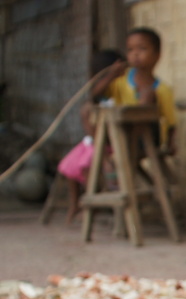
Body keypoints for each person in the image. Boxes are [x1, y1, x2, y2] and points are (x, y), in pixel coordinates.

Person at [55, 49, 124, 223]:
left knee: (86, 166)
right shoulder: (99, 95)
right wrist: (109, 76)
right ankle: (74, 203)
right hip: (93, 143)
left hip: (109, 145)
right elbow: (92, 94)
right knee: (68, 166)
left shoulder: (121, 90)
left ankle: (94, 201)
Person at [103, 27, 178, 155]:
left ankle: (131, 141)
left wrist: (171, 145)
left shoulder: (163, 89)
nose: (135, 54)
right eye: (130, 50)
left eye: (142, 49)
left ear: (157, 55)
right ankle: (107, 156)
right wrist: (111, 75)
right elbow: (95, 94)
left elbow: (171, 123)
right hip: (120, 135)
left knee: (147, 95)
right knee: (86, 109)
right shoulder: (120, 80)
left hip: (147, 139)